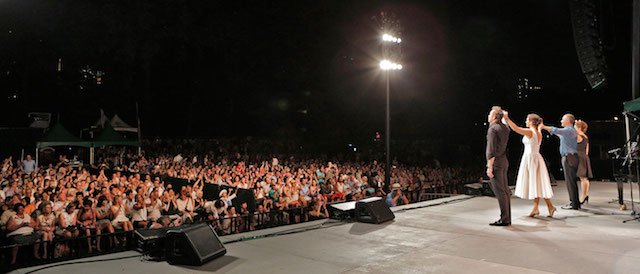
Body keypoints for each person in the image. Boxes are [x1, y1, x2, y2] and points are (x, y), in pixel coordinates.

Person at [504, 113, 556, 217]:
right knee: (537, 183)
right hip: (534, 158)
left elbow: (516, 129)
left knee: (536, 183)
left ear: (532, 122)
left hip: (531, 159)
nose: (526, 122)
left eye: (527, 120)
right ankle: (539, 208)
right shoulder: (538, 132)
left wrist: (507, 118)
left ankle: (546, 207)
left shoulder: (530, 132)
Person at [541, 114, 580, 210]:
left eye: (563, 120)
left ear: (568, 121)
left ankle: (574, 203)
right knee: (571, 181)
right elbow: (559, 134)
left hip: (569, 157)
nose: (561, 121)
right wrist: (549, 130)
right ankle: (575, 202)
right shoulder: (569, 132)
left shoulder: (569, 130)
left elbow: (557, 130)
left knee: (570, 181)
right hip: (571, 157)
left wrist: (543, 126)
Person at [486, 106, 511, 226]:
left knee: (500, 192)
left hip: (496, 162)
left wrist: (489, 166)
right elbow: (506, 123)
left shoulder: (493, 129)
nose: (488, 116)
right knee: (505, 191)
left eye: (490, 114)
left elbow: (491, 149)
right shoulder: (505, 128)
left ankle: (504, 218)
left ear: (495, 117)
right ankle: (507, 217)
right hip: (504, 160)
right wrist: (505, 117)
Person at [575, 120, 593, 204]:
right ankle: (585, 195)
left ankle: (583, 197)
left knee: (583, 178)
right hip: (584, 157)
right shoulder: (585, 137)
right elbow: (587, 150)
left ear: (579, 128)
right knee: (584, 178)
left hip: (580, 157)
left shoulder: (578, 136)